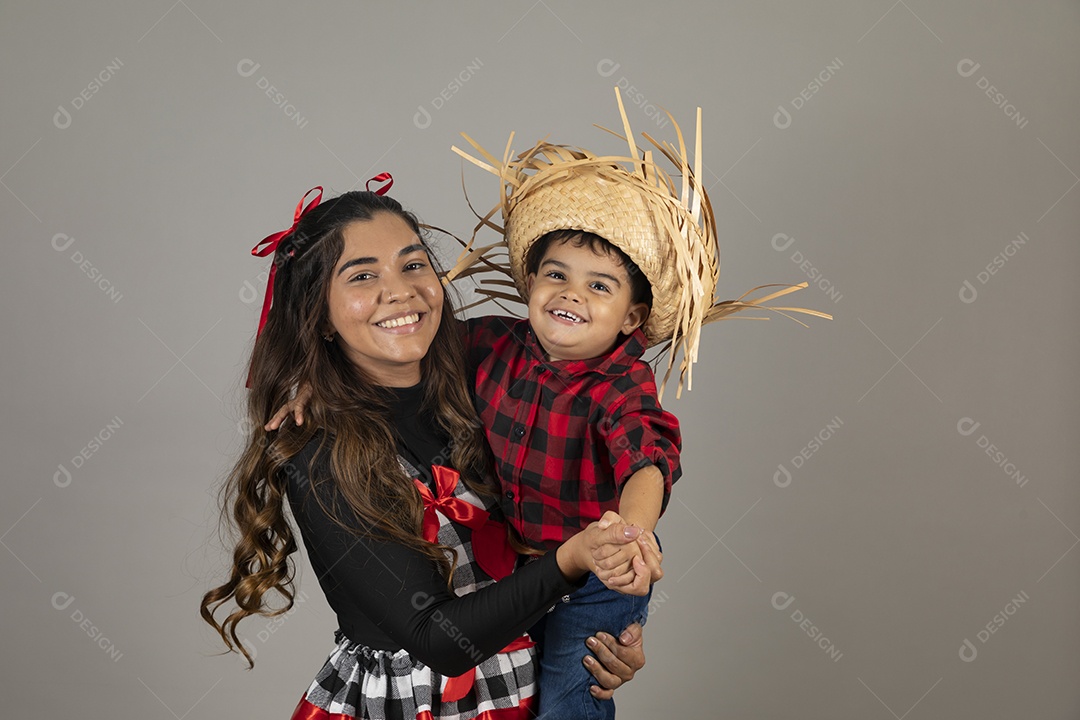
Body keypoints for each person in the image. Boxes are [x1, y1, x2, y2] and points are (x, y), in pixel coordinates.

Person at [201, 184, 660, 720]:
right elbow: (438, 640)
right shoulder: (323, 449)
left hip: (524, 681)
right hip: (422, 704)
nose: (400, 292)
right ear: (320, 316)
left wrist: (600, 631)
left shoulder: (487, 376)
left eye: (413, 265)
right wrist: (576, 560)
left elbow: (616, 462)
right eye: (363, 275)